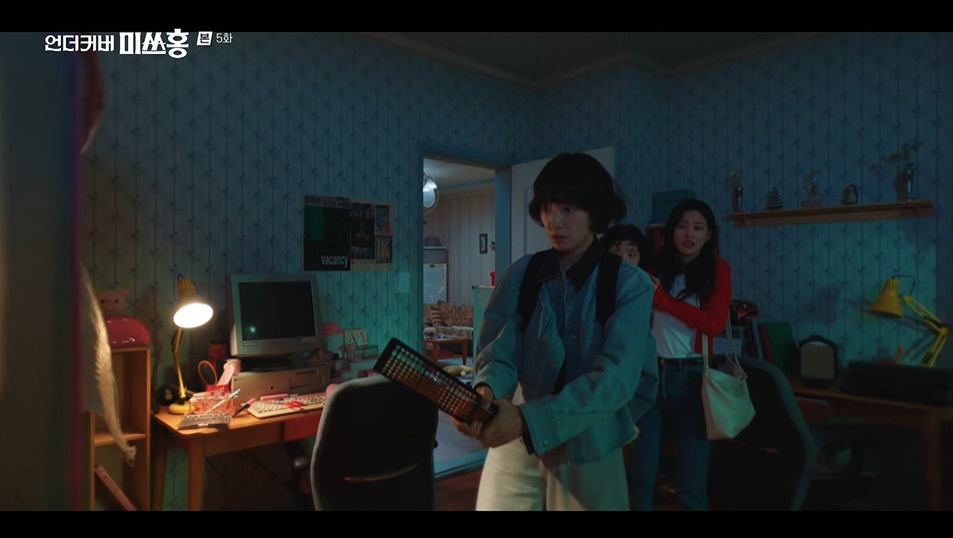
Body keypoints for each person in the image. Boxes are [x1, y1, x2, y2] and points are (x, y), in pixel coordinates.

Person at [452, 152, 658, 511]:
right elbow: (500, 350)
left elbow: (614, 379)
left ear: (594, 212)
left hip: (589, 439)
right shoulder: (521, 275)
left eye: (568, 209)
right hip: (516, 434)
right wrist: (485, 392)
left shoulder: (629, 284)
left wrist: (528, 420)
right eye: (547, 208)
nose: (553, 221)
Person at [626, 198, 732, 511]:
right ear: (671, 231)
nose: (689, 234)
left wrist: (663, 300)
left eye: (698, 228)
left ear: (709, 235)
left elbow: (713, 324)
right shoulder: (655, 269)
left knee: (691, 481)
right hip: (650, 374)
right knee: (641, 475)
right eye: (683, 227)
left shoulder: (717, 270)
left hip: (692, 377)